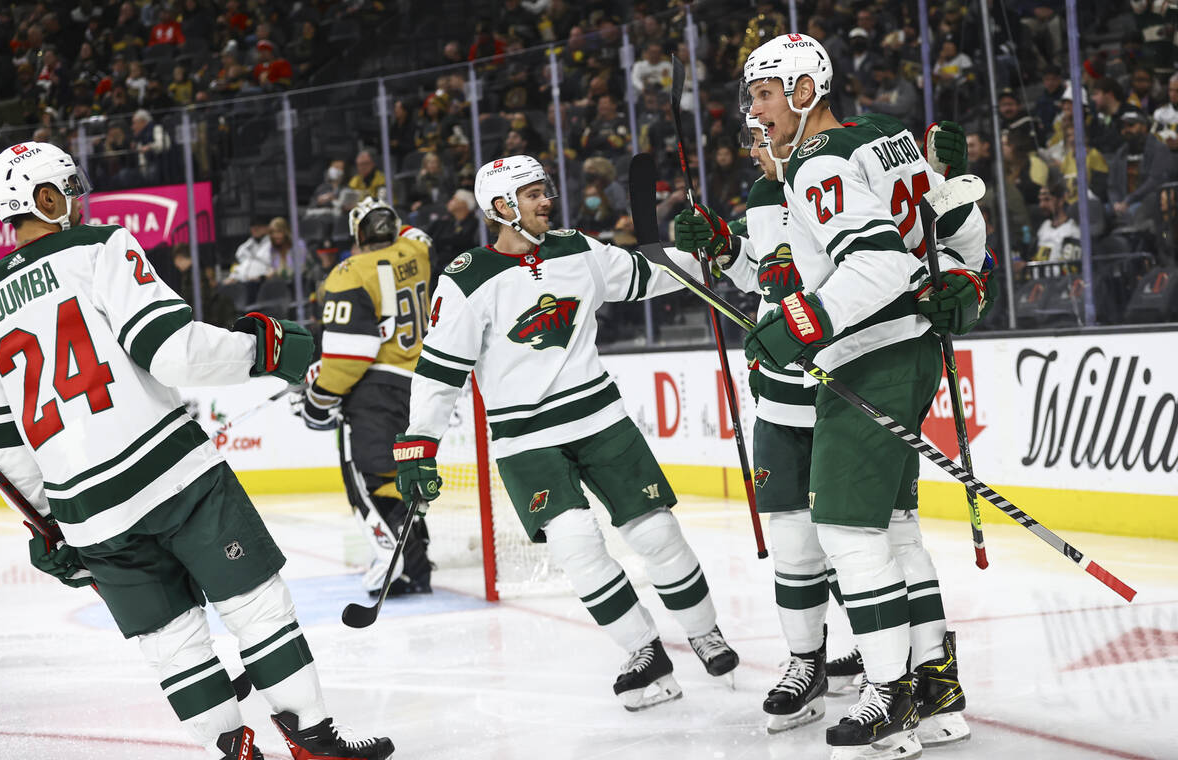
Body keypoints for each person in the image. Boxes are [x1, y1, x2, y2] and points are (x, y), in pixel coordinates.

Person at [0, 141, 393, 760]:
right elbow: (170, 350)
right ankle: (313, 742)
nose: (80, 197)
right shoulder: (100, 247)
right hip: (175, 477)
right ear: (45, 198)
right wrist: (266, 352)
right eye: (68, 186)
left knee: (169, 640)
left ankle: (236, 751)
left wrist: (49, 522)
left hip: (87, 512)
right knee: (255, 604)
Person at [393, 155, 740, 711]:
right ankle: (644, 649)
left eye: (545, 190)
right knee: (576, 543)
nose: (546, 200)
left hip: (600, 419)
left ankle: (704, 632)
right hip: (525, 439)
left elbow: (648, 274)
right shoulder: (465, 279)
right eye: (531, 195)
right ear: (501, 209)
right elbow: (439, 371)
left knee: (657, 532)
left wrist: (709, 256)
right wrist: (418, 445)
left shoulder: (577, 249)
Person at [673, 112, 972, 736]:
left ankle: (922, 673)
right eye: (750, 139)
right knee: (797, 541)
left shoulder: (837, 167)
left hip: (846, 372)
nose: (755, 147)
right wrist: (725, 249)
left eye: (763, 132)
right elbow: (768, 278)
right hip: (785, 391)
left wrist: (949, 204)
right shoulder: (765, 194)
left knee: (884, 535)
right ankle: (807, 663)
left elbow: (889, 259)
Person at [741, 34, 992, 759]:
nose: (756, 113)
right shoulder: (886, 135)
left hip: (872, 352)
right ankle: (935, 688)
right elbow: (953, 227)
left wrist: (799, 323)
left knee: (850, 536)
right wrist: (973, 281)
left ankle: (891, 699)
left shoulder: (818, 163)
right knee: (894, 532)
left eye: (763, 95)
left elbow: (878, 262)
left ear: (802, 89)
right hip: (911, 346)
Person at [301, 196, 434, 599]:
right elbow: (415, 234)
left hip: (377, 392)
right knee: (404, 479)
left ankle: (396, 566)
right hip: (421, 386)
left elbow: (348, 359)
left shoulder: (350, 273)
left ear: (356, 235)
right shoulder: (417, 250)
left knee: (371, 482)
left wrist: (318, 399)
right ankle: (416, 567)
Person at [226, 217, 274, 283]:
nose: (255, 229)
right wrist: (233, 277)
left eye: (259, 226)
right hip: (243, 281)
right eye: (253, 226)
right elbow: (240, 264)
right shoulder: (246, 245)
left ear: (267, 228)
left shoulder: (272, 243)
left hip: (264, 281)